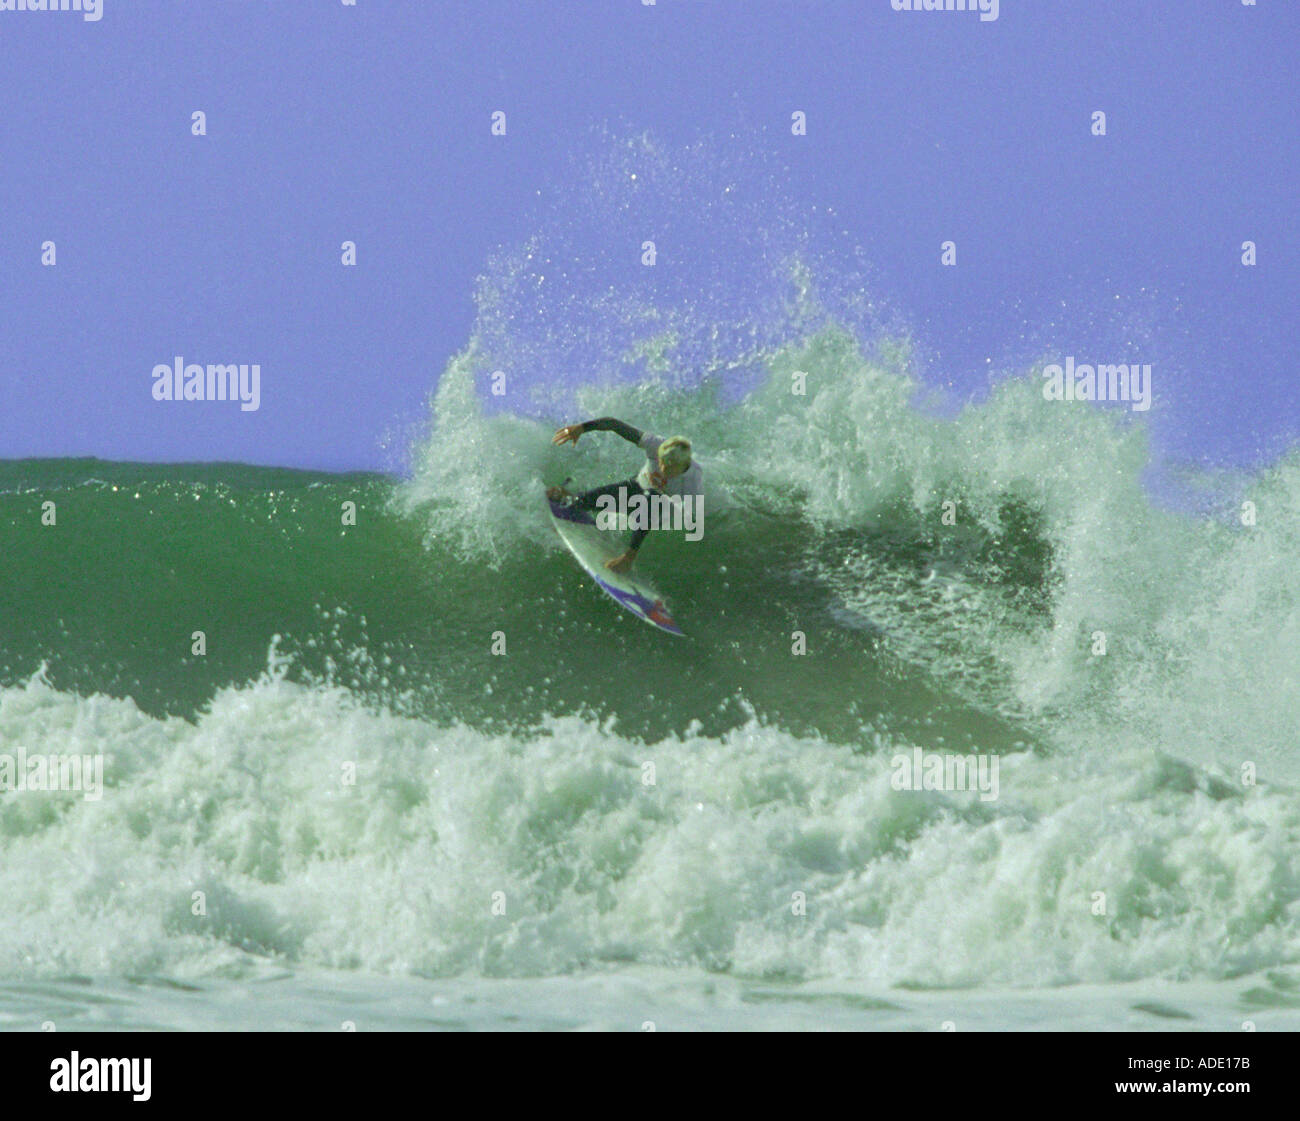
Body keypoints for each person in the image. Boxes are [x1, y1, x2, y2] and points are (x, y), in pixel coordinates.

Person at [548, 417, 702, 572]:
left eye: (669, 467)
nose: (662, 468)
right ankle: (571, 496)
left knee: (652, 499)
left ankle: (628, 557)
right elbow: (614, 425)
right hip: (635, 488)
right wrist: (581, 427)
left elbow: (691, 516)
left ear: (683, 466)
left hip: (660, 510)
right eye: (661, 462)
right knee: (579, 503)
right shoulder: (655, 444)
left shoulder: (691, 482)